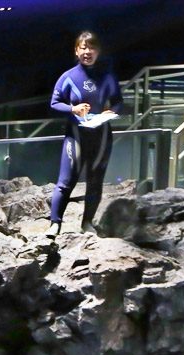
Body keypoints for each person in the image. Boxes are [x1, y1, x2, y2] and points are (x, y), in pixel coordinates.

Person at [46, 31, 122, 238]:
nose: (87, 51)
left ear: (98, 51)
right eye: (83, 47)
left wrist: (112, 111)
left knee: (95, 181)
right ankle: (55, 224)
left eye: (91, 47)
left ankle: (87, 223)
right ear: (76, 50)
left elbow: (118, 101)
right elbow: (54, 103)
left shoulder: (107, 77)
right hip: (76, 135)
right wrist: (73, 109)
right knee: (65, 181)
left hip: (102, 135)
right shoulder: (68, 77)